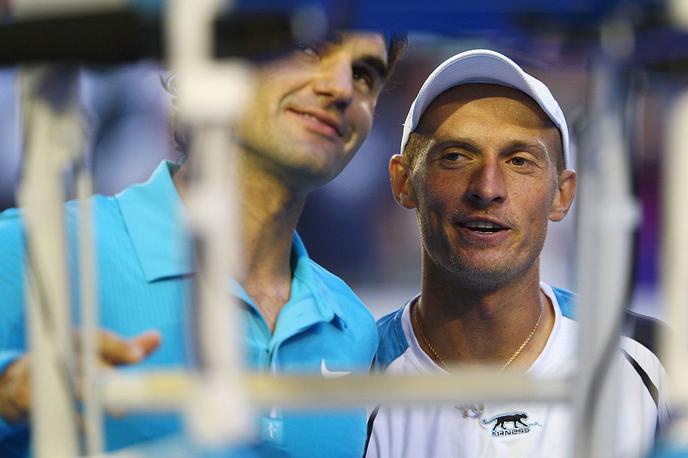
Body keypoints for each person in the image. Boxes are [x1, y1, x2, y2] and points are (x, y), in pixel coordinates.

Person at [0, 32, 405, 457]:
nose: (341, 88)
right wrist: (9, 393)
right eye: (307, 49)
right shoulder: (36, 251)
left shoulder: (353, 327)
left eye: (364, 75)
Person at [366, 49, 669, 458]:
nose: (488, 187)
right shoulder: (351, 376)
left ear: (562, 195)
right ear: (403, 182)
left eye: (519, 161)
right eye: (455, 156)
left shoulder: (652, 361)